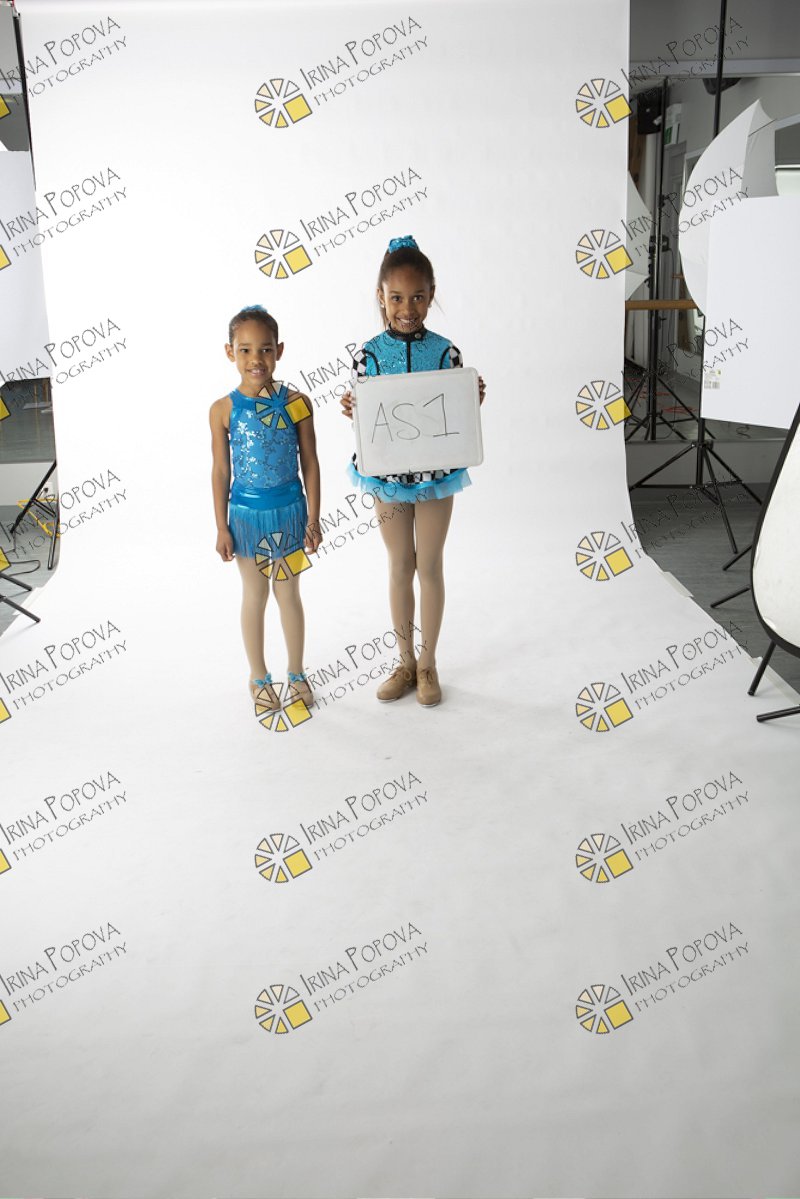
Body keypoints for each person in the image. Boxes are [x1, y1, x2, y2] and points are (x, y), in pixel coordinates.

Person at [341, 236, 484, 707]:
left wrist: (472, 399)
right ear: (381, 296)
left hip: (436, 475)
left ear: (431, 294)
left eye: (418, 297)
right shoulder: (368, 355)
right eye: (397, 298)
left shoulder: (446, 353)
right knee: (400, 565)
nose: (407, 308)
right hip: (386, 476)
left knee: (430, 565)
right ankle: (404, 662)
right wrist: (352, 409)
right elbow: (370, 417)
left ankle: (428, 663)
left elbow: (456, 414)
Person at [211, 305, 321, 712]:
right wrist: (221, 526)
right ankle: (258, 677)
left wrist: (313, 518)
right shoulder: (222, 409)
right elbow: (221, 470)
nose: (255, 359)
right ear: (230, 352)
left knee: (288, 593)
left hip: (290, 511)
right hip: (246, 516)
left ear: (280, 351)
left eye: (265, 349)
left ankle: (296, 672)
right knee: (254, 594)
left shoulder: (297, 402)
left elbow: (310, 463)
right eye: (245, 350)